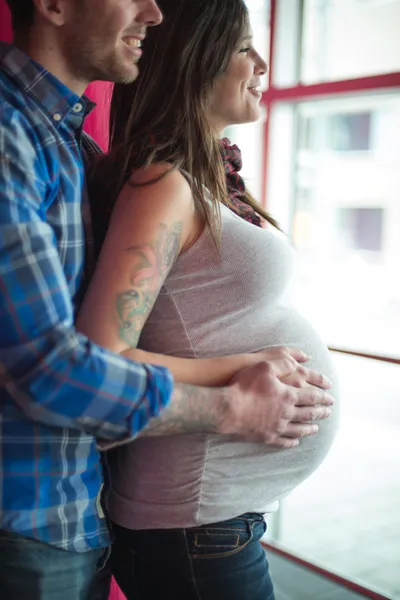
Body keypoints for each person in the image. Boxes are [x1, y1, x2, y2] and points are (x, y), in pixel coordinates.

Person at [0, 1, 334, 599]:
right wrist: (239, 395)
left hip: (101, 508)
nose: (150, 13)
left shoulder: (74, 146)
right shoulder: (28, 142)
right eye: (240, 47)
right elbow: (68, 360)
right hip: (90, 518)